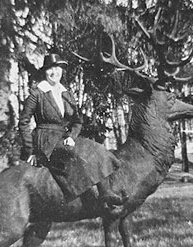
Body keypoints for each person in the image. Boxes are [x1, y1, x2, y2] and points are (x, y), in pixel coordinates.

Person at [19, 52, 127, 212]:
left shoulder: (66, 94)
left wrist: (71, 136)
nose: (54, 72)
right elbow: (23, 122)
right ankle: (92, 198)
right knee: (79, 154)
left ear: (62, 70)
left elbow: (78, 121)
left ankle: (105, 192)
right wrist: (30, 151)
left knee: (94, 147)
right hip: (45, 139)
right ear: (45, 71)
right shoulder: (37, 94)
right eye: (50, 69)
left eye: (57, 68)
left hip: (63, 137)